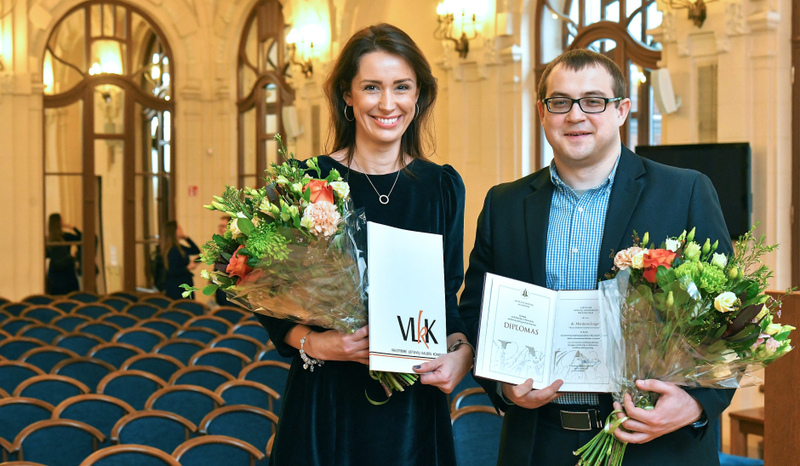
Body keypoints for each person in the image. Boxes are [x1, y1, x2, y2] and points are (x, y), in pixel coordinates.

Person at [458, 48, 735, 466]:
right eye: (560, 102)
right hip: (537, 444)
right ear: (542, 112)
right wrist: (502, 386)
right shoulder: (505, 204)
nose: (575, 115)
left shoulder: (684, 192)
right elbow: (476, 311)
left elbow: (730, 315)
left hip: (652, 441)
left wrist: (697, 405)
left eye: (594, 101)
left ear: (622, 110)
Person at [256, 24, 474, 466]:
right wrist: (317, 345)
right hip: (327, 402)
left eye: (402, 87)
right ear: (348, 96)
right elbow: (268, 298)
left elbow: (447, 302)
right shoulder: (307, 181)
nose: (388, 103)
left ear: (419, 96)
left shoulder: (441, 187)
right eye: (372, 87)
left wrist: (461, 355)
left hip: (413, 406)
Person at [161, 221, 200, 300]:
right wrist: (188, 268)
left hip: (183, 283)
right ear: (174, 231)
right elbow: (172, 271)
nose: (181, 229)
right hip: (177, 286)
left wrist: (186, 238)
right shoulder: (173, 250)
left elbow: (195, 250)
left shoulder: (179, 247)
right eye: (178, 228)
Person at [46, 213, 81, 295]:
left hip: (54, 271)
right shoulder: (66, 236)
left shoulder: (48, 239)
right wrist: (72, 227)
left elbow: (46, 255)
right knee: (71, 297)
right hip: (67, 271)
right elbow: (82, 237)